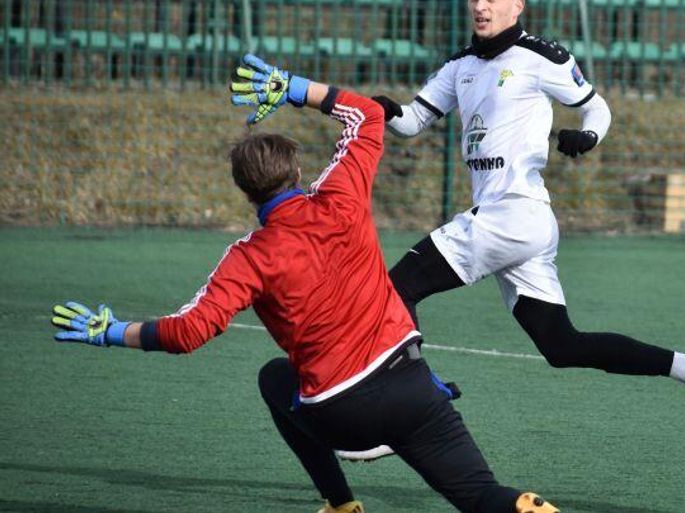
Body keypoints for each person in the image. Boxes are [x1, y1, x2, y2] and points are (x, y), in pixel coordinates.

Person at [51, 57, 560, 513]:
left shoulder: (249, 256)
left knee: (275, 379)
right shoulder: (339, 197)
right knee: (483, 497)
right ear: (297, 170)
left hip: (341, 413)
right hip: (411, 388)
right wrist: (293, 87)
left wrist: (112, 330)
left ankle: (340, 505)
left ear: (246, 193)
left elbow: (189, 332)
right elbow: (369, 114)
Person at [372, 0, 685, 429]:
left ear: (516, 5)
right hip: (515, 223)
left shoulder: (540, 58)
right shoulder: (459, 65)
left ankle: (409, 411)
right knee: (562, 346)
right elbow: (413, 120)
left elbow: (597, 108)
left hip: (514, 213)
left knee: (397, 287)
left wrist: (588, 137)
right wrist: (378, 109)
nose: (480, 6)